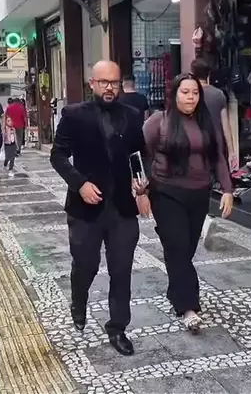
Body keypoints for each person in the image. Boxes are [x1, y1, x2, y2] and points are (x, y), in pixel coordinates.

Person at [50, 60, 147, 356]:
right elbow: (58, 156)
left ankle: (117, 327)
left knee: (121, 270)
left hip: (122, 209)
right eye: (103, 82)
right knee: (86, 265)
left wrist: (141, 181)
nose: (109, 88)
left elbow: (137, 154)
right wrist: (79, 183)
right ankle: (78, 300)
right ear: (92, 83)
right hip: (85, 209)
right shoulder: (74, 115)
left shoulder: (132, 115)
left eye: (114, 83)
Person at [141, 73, 234, 330]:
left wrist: (227, 189)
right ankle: (188, 307)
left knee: (185, 250)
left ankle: (176, 291)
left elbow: (218, 157)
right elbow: (140, 154)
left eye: (195, 93)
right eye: (185, 92)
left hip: (199, 194)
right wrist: (141, 190)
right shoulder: (158, 121)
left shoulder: (206, 123)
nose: (191, 97)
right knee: (178, 247)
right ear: (174, 94)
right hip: (166, 193)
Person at [191, 58, 238, 170]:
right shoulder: (219, 94)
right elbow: (226, 125)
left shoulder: (190, 95)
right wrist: (232, 152)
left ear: (193, 74)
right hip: (216, 143)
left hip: (195, 142)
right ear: (209, 74)